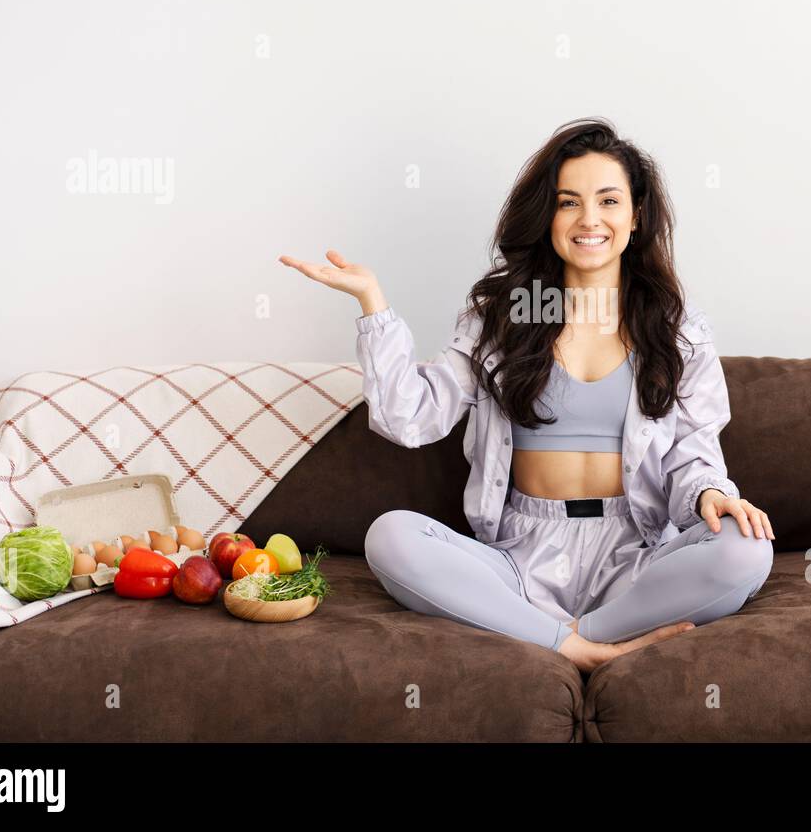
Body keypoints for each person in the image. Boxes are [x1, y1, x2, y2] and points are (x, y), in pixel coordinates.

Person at [279, 117, 774, 674]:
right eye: (569, 203)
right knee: (390, 536)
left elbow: (693, 450)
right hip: (517, 560)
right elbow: (408, 418)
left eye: (608, 200)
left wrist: (710, 494)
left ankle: (568, 638)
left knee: (745, 547)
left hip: (635, 555)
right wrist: (372, 302)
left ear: (635, 217)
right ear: (548, 218)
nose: (590, 219)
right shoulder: (502, 318)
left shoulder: (677, 329)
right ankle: (572, 644)